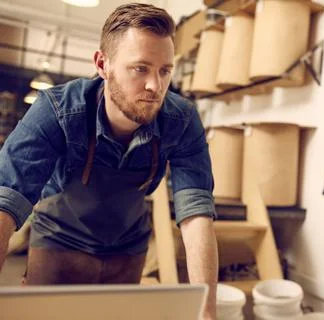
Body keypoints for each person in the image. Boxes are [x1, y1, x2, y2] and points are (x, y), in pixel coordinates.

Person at [0, 3, 218, 319]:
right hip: (59, 246)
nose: (155, 86)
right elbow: (6, 201)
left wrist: (206, 312)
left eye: (164, 71)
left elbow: (196, 213)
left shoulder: (182, 120)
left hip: (127, 250)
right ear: (103, 64)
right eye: (140, 68)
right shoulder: (56, 111)